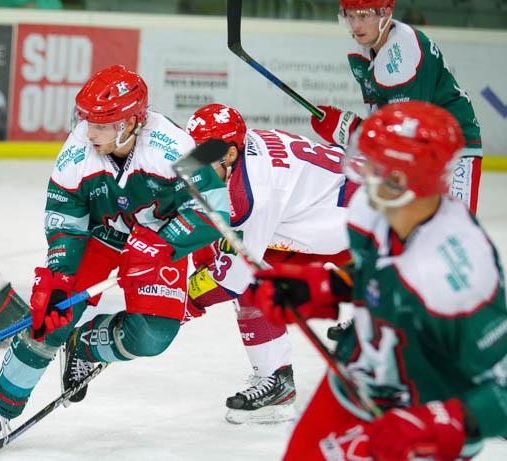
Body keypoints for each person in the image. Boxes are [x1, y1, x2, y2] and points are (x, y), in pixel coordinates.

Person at [0, 65, 230, 453]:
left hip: (159, 240)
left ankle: (85, 345)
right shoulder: (76, 153)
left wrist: (163, 244)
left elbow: (215, 209)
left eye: (101, 125)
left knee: (152, 336)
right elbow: (65, 222)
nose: (89, 132)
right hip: (100, 236)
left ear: (131, 122)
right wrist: (59, 276)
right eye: (87, 121)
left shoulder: (175, 147)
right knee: (51, 315)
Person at [254, 101, 507, 460]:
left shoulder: (460, 273)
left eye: (374, 165)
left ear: (403, 180)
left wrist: (444, 421)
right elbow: (378, 271)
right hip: (358, 377)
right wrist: (328, 286)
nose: (361, 172)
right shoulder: (371, 209)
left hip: (421, 414)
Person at [183, 103, 354, 424]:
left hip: (351, 221)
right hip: (342, 194)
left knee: (248, 277)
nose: (194, 166)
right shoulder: (241, 148)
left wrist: (183, 302)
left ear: (230, 154)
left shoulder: (252, 195)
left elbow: (230, 279)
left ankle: (276, 381)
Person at [312, 0, 482, 213]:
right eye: (350, 16)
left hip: (454, 147)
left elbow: (405, 139)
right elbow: (383, 117)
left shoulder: (403, 59)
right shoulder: (361, 49)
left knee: (452, 224)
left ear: (386, 13)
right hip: (418, 145)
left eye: (363, 16)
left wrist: (351, 130)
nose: (356, 26)